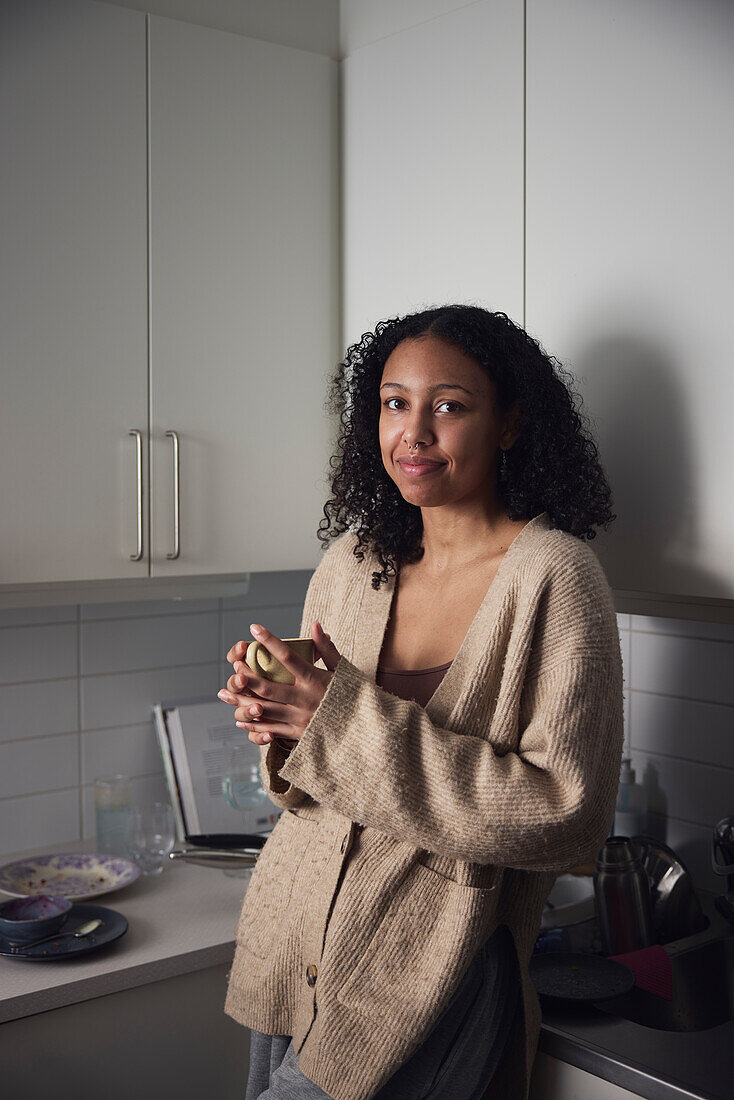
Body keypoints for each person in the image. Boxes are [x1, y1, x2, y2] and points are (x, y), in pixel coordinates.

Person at [217, 304, 624, 1100]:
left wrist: (331, 724)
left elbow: (566, 814)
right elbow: (316, 781)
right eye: (395, 403)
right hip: (297, 948)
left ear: (508, 424)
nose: (415, 433)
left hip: (427, 970)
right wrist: (281, 722)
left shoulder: (556, 580)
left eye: (449, 406)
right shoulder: (351, 563)